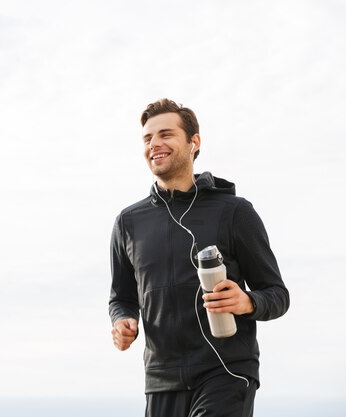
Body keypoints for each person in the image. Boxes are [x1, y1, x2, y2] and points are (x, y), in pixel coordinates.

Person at [108, 99, 289, 417]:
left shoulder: (234, 212)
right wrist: (123, 321)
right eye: (148, 138)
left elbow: (277, 295)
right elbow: (121, 298)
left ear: (194, 142)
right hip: (161, 380)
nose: (155, 144)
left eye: (166, 134)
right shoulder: (128, 222)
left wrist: (247, 302)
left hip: (226, 372)